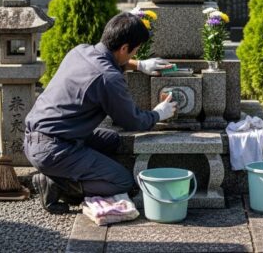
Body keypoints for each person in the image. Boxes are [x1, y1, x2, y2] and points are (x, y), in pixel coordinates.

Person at [24, 12, 177, 213]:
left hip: (38, 138)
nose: (134, 55)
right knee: (123, 182)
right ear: (124, 48)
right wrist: (159, 113)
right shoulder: (109, 78)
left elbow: (105, 61)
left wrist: (138, 64)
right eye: (135, 51)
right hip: (53, 150)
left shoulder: (79, 51)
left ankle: (67, 172)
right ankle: (56, 183)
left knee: (111, 139)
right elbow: (132, 121)